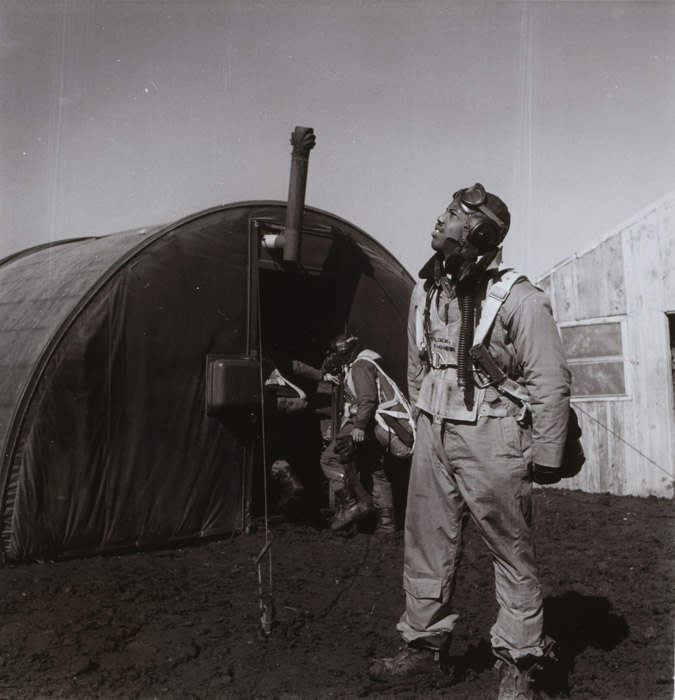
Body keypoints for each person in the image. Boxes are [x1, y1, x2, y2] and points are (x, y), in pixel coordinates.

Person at [369, 183, 571, 699]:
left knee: (511, 549)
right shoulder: (426, 289)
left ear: (479, 231)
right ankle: (422, 647)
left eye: (452, 215)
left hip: (494, 435)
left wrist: (546, 453)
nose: (439, 220)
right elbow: (417, 364)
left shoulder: (521, 299)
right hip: (435, 428)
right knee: (425, 541)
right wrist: (423, 419)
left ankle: (520, 662)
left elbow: (549, 379)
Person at [319, 334, 396, 536]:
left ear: (345, 350)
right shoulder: (366, 361)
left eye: (336, 352)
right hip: (377, 424)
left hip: (363, 423)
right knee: (375, 470)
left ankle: (351, 505)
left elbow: (367, 400)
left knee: (329, 459)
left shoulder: (360, 365)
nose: (334, 357)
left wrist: (359, 426)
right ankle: (386, 525)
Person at [262, 352, 338, 513]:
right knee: (273, 444)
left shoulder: (251, 350)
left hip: (265, 404)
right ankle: (290, 483)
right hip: (281, 404)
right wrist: (323, 376)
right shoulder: (266, 354)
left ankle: (290, 484)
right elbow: (295, 366)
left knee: (264, 448)